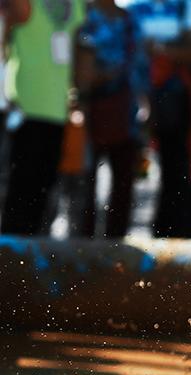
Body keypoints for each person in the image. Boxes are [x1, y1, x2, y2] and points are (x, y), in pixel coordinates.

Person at [1, 0, 85, 235]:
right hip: (24, 107)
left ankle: (32, 252)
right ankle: (10, 253)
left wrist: (77, 93)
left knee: (44, 189)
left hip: (57, 108)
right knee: (19, 190)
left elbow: (74, 44)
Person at [125, 0, 191, 238]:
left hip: (169, 99)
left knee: (174, 167)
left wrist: (159, 49)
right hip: (127, 95)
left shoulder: (185, 5)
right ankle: (115, 233)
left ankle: (167, 230)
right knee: (128, 166)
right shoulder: (129, 4)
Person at [74, 0, 148, 238]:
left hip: (126, 112)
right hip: (88, 110)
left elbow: (141, 66)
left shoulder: (130, 20)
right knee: (84, 181)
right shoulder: (82, 16)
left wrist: (146, 105)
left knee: (124, 180)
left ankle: (116, 243)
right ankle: (83, 241)